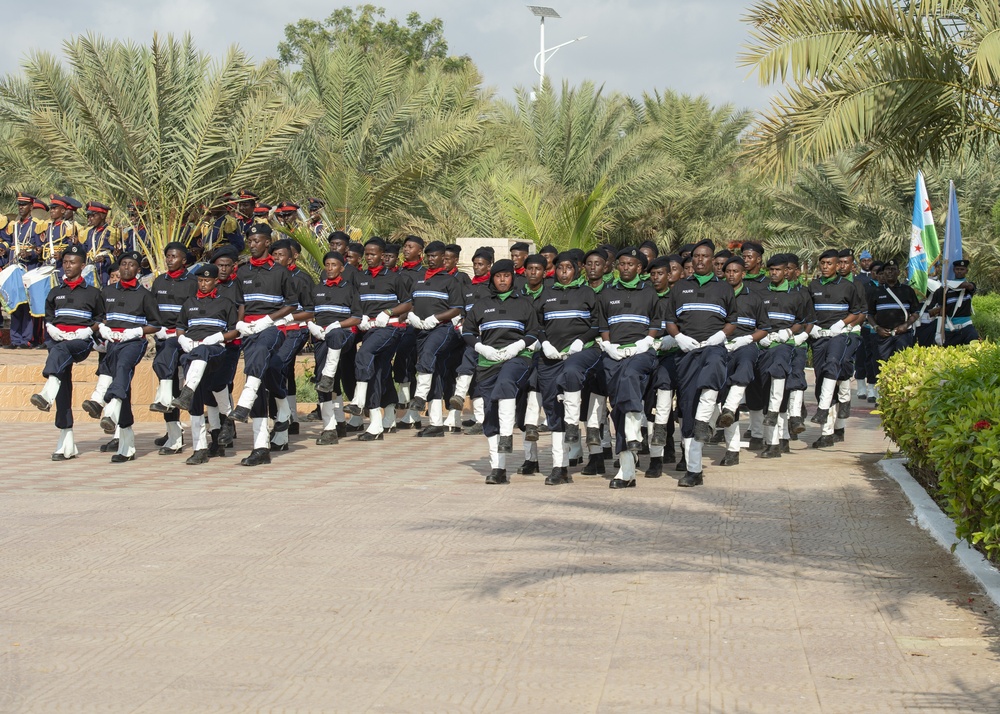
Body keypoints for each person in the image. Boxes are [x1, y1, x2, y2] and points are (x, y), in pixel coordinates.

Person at [221, 223, 296, 466]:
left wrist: (268, 319)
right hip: (249, 330)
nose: (252, 245)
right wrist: (241, 324)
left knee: (262, 352)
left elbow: (292, 305)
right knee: (265, 373)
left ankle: (244, 402)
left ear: (267, 243)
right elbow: (241, 303)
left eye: (257, 241)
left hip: (273, 328)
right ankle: (262, 447)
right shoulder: (242, 272)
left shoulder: (281, 272)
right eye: (250, 241)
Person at [665, 239, 737, 487]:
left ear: (712, 259)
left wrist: (721, 335)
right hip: (687, 352)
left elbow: (733, 320)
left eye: (705, 256)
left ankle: (704, 419)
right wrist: (679, 337)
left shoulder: (724, 289)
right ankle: (693, 470)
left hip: (712, 347)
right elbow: (669, 320)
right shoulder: (680, 287)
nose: (700, 260)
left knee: (716, 364)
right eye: (696, 256)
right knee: (687, 407)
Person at [463, 259, 541, 484]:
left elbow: (534, 331)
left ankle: (507, 435)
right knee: (489, 412)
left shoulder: (524, 303)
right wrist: (481, 348)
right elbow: (467, 331)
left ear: (513, 278)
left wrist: (518, 346)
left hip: (517, 358)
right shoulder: (481, 304)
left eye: (507, 276)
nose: (503, 280)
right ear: (492, 278)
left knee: (506, 381)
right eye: (498, 276)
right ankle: (498, 468)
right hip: (488, 362)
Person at [81, 251, 161, 462]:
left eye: (131, 265)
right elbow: (97, 318)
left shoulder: (145, 295)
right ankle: (127, 447)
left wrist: (135, 332)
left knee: (123, 368)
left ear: (138, 269)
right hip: (111, 343)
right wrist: (103, 330)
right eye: (123, 264)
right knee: (115, 377)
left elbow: (156, 323)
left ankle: (109, 412)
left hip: (133, 343)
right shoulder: (106, 291)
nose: (127, 268)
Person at [596, 247, 663, 488]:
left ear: (640, 268)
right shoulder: (607, 293)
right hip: (614, 354)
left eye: (631, 264)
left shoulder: (649, 293)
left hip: (642, 352)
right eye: (622, 263)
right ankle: (626, 473)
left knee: (630, 376)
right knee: (618, 409)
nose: (625, 267)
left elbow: (657, 322)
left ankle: (635, 435)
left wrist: (646, 341)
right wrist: (608, 345)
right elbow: (602, 323)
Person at [30, 244, 103, 460]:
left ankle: (46, 393)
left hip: (79, 343)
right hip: (58, 342)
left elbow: (101, 319)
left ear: (82, 265)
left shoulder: (93, 293)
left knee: (59, 362)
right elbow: (49, 318)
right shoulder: (55, 292)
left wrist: (87, 331)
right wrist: (52, 328)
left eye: (72, 262)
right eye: (65, 262)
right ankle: (66, 439)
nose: (67, 266)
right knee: (63, 383)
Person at [535, 251, 602, 484]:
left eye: (569, 268)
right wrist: (544, 343)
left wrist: (581, 341)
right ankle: (559, 467)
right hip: (551, 357)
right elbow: (537, 325)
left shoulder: (587, 293)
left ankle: (574, 425)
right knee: (553, 409)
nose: (564, 272)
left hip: (581, 353)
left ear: (577, 270)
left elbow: (597, 324)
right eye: (560, 268)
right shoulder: (546, 293)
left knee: (573, 373)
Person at [170, 264, 241, 464]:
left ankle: (187, 390)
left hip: (215, 351)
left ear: (215, 281)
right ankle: (200, 447)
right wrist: (182, 339)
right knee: (198, 402)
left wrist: (217, 337)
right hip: (192, 353)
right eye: (200, 280)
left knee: (215, 387)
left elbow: (235, 331)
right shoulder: (189, 303)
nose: (203, 284)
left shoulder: (225, 303)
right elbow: (180, 327)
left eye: (207, 280)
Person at [347, 237, 411, 441]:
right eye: (367, 254)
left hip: (391, 328)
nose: (369, 257)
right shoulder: (360, 277)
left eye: (373, 254)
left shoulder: (395, 277)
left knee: (365, 353)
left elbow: (408, 303)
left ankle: (358, 400)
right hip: (369, 328)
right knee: (377, 371)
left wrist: (389, 312)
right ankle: (376, 424)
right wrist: (361, 317)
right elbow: (355, 302)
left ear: (383, 256)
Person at [807, 249, 866, 449]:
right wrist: (812, 327)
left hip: (842, 335)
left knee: (834, 366)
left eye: (829, 263)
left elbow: (857, 312)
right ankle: (833, 425)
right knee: (822, 378)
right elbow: (807, 312)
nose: (826, 267)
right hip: (819, 338)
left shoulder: (849, 286)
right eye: (822, 263)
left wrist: (842, 324)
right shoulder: (812, 285)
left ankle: (827, 426)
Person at [403, 241, 463, 437]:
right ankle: (436, 424)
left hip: (442, 328)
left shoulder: (450, 280)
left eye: (435, 256)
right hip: (421, 330)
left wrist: (436, 318)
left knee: (427, 355)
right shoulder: (418, 279)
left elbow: (457, 308)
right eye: (429, 256)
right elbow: (411, 303)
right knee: (433, 372)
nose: (431, 259)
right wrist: (410, 315)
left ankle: (419, 397)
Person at [716, 256, 769, 462]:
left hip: (745, 344)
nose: (731, 274)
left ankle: (730, 410)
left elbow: (764, 328)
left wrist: (748, 338)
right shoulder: (717, 295)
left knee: (745, 365)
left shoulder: (754, 298)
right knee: (723, 392)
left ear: (743, 274)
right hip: (720, 344)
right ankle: (732, 449)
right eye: (728, 271)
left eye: (735, 271)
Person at [148, 242, 199, 455]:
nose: (170, 260)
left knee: (189, 388)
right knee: (167, 381)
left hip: (185, 338)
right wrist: (158, 328)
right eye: (168, 256)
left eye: (174, 256)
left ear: (184, 260)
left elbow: (196, 311)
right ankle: (173, 435)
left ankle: (205, 434)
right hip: (164, 336)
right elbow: (153, 310)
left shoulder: (193, 282)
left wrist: (183, 333)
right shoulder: (159, 281)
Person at [309, 250, 362, 445]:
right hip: (321, 338)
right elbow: (308, 314)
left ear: (341, 268)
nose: (330, 269)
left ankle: (330, 427)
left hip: (343, 335)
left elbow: (357, 317)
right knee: (325, 382)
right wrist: (313, 327)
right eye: (327, 265)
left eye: (334, 265)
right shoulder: (316, 290)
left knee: (336, 338)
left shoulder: (350, 289)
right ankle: (334, 425)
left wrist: (337, 325)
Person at [267, 239, 315, 450]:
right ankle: (286, 418)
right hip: (272, 332)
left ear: (293, 256)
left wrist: (288, 318)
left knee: (277, 367)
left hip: (295, 331)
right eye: (274, 255)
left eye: (281, 255)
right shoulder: (268, 276)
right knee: (277, 372)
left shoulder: (302, 278)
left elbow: (312, 310)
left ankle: (282, 427)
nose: (277, 259)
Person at [450, 247, 493, 435]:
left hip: (489, 337)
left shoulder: (492, 287)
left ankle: (460, 394)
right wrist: (459, 322)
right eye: (475, 264)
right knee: (474, 375)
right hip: (471, 335)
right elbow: (463, 312)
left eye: (481, 264)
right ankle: (480, 418)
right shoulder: (467, 288)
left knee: (475, 368)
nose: (477, 267)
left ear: (489, 265)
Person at [867, 259, 918, 395]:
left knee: (903, 364)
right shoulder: (876, 292)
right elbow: (869, 314)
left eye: (893, 269)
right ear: (883, 273)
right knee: (882, 365)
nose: (890, 272)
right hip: (883, 335)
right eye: (887, 270)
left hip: (903, 334)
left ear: (898, 272)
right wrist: (877, 328)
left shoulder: (907, 290)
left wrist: (906, 325)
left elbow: (916, 313)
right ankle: (882, 394)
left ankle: (901, 393)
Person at [2, 194, 47, 348]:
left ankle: (26, 339)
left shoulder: (36, 225)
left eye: (24, 205)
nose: (21, 207)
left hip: (29, 268)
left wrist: (31, 253)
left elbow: (41, 249)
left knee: (27, 305)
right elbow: (8, 243)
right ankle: (15, 339)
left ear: (31, 207)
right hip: (15, 269)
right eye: (19, 205)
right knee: (15, 303)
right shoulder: (13, 225)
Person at [929, 259, 978, 346]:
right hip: (950, 329)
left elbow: (968, 286)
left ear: (967, 271)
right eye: (957, 269)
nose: (959, 271)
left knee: (974, 351)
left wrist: (948, 284)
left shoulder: (969, 286)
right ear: (953, 270)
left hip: (967, 327)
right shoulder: (944, 290)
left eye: (962, 269)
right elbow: (940, 309)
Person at [80, 201, 118, 286]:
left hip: (104, 271)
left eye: (93, 216)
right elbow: (84, 250)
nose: (90, 219)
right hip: (90, 272)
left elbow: (116, 253)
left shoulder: (111, 232)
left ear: (102, 216)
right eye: (88, 216)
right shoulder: (90, 232)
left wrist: (105, 259)